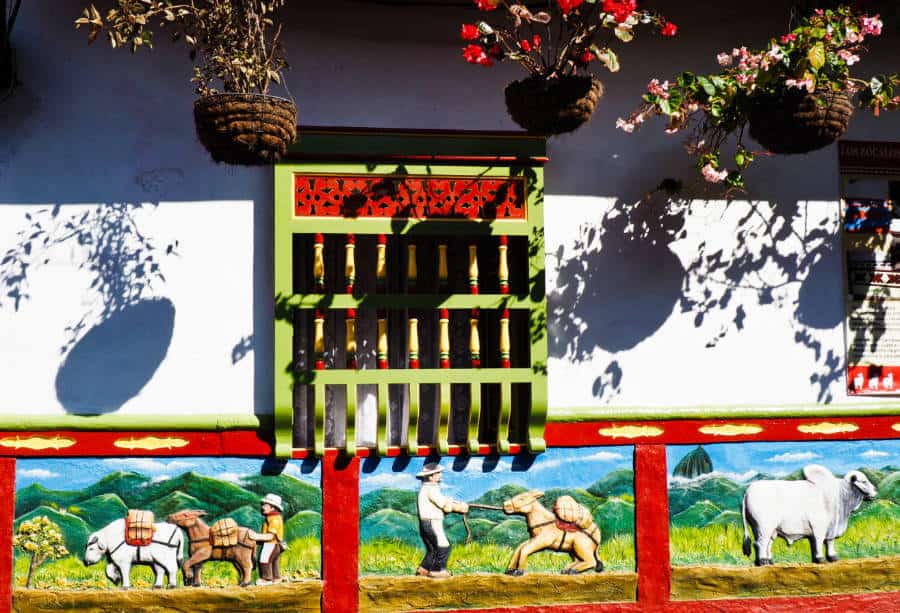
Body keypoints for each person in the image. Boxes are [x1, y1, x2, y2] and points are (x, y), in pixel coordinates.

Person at [415, 463, 468, 578]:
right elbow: (443, 504)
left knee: (432, 549)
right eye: (437, 473)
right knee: (443, 545)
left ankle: (424, 569)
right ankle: (437, 570)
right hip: (432, 521)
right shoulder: (431, 489)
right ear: (430, 476)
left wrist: (454, 504)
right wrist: (458, 507)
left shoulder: (426, 488)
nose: (440, 475)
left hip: (426, 522)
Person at [256, 493, 286, 585]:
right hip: (275, 545)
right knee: (274, 562)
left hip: (271, 544)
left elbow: (270, 536)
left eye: (265, 505)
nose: (263, 507)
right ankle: (276, 578)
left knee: (264, 560)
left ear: (272, 508)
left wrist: (255, 536)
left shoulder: (274, 519)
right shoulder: (271, 517)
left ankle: (267, 579)